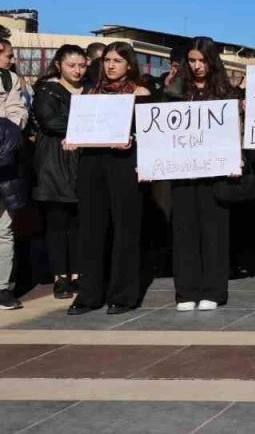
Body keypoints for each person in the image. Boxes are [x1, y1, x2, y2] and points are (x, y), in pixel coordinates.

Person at [68, 42, 152, 315]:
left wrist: (132, 141)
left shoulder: (140, 93)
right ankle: (89, 294)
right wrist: (72, 139)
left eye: (117, 60)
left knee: (125, 231)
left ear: (129, 64)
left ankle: (123, 295)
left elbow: (150, 136)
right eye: (106, 60)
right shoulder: (90, 92)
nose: (111, 65)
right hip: (92, 166)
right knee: (91, 231)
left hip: (124, 166)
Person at [166, 37, 241, 311]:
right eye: (192, 60)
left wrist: (237, 158)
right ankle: (186, 291)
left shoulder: (226, 92)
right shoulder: (174, 91)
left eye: (202, 60)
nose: (197, 66)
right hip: (183, 172)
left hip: (216, 173)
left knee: (214, 232)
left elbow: (237, 131)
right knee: (184, 230)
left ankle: (214, 289)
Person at [30, 45, 88, 300]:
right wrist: (87, 123)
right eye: (71, 65)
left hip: (82, 163)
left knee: (78, 222)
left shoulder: (91, 89)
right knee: (56, 223)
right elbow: (50, 121)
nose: (77, 70)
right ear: (59, 66)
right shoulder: (46, 90)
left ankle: (77, 272)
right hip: (54, 164)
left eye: (82, 65)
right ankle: (59, 277)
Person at [0, 118, 31, 311]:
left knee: (3, 231)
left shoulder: (5, 86)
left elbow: (17, 116)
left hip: (3, 177)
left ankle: (2, 288)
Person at [0, 39, 30, 129]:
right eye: (9, 57)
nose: (12, 61)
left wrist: (9, 130)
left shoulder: (11, 78)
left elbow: (17, 111)